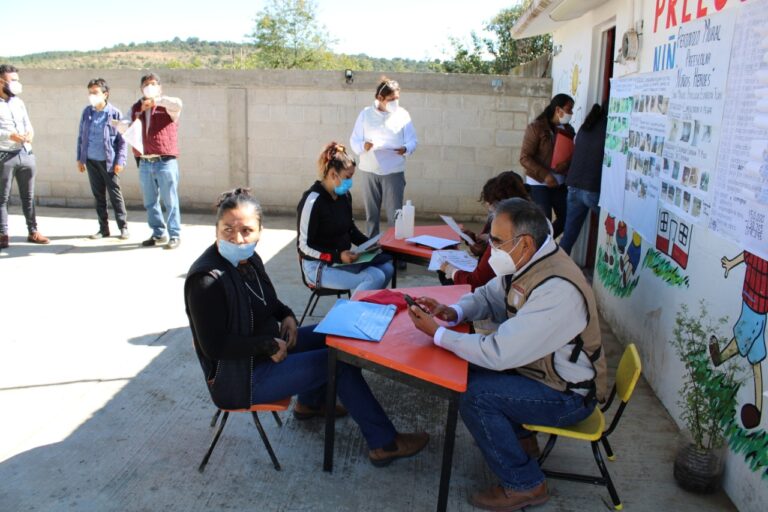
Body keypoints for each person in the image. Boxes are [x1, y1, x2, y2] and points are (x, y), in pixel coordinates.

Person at [184, 188, 429, 467]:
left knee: (336, 336)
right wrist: (264, 345)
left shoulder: (248, 259)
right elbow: (213, 347)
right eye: (228, 229)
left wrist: (287, 315)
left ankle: (309, 403)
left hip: (267, 350)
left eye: (246, 230)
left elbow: (268, 302)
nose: (237, 238)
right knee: (339, 363)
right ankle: (384, 443)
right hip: (241, 377)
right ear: (215, 229)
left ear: (260, 231)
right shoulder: (206, 280)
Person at [408, 198, 607, 511]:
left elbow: (500, 353)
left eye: (497, 242)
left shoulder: (557, 288)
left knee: (474, 396)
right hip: (542, 372)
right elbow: (491, 295)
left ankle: (525, 484)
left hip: (568, 395)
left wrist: (438, 334)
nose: (492, 249)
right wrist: (454, 312)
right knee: (466, 372)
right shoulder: (530, 260)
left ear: (525, 242)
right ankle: (522, 443)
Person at [297, 142, 393, 294]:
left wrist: (371, 244)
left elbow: (350, 229)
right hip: (318, 267)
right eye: (347, 177)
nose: (350, 182)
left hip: (341, 262)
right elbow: (303, 246)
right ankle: (354, 315)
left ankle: (367, 309)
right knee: (373, 277)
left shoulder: (344, 196)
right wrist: (337, 256)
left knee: (387, 268)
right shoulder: (312, 201)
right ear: (333, 174)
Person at [438, 171, 531, 291]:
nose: (489, 207)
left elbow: (476, 282)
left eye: (490, 203)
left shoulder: (507, 226)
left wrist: (451, 271)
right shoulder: (520, 217)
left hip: (498, 289)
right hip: (497, 283)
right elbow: (484, 252)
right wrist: (475, 241)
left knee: (444, 271)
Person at [349, 77, 418, 238]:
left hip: (394, 171)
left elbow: (413, 140)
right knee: (371, 215)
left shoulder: (403, 114)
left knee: (396, 215)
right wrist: (363, 146)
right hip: (369, 171)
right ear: (380, 98)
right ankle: (372, 248)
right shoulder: (365, 114)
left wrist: (406, 148)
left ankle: (396, 253)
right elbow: (354, 140)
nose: (395, 102)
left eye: (397, 99)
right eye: (391, 99)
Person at [120, 73, 183, 249]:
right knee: (150, 201)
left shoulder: (167, 107)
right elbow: (124, 123)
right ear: (141, 89)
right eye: (146, 84)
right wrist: (122, 123)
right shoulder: (135, 107)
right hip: (145, 162)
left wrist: (156, 101)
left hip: (165, 161)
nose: (149, 87)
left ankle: (175, 235)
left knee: (170, 200)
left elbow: (178, 104)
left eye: (153, 84)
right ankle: (158, 233)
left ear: (160, 87)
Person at [0, 64, 49, 248]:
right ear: (1, 81)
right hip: (4, 156)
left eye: (17, 80)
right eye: (13, 80)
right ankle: (2, 234)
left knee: (28, 196)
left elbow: (28, 124)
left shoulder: (18, 102)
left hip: (25, 153)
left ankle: (33, 231)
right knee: (2, 198)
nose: (17, 84)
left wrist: (30, 134)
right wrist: (8, 136)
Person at [76, 78, 129, 240]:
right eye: (90, 93)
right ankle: (103, 228)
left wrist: (120, 161)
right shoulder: (87, 112)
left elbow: (122, 140)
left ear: (105, 94)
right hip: (91, 161)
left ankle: (123, 227)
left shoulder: (115, 114)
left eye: (95, 92)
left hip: (109, 162)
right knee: (99, 196)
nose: (92, 95)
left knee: (115, 195)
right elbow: (81, 137)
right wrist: (80, 158)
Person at [520, 93, 575, 239]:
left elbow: (572, 154)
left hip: (560, 183)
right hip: (539, 183)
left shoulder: (569, 130)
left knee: (567, 218)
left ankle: (545, 244)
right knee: (544, 222)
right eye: (568, 109)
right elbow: (525, 158)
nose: (571, 113)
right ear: (558, 109)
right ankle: (540, 249)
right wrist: (546, 175)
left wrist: (566, 163)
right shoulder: (536, 127)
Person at [559, 103, 607, 254]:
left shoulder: (586, 126)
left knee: (569, 234)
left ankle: (556, 266)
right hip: (592, 187)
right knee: (611, 232)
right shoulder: (611, 128)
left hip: (573, 185)